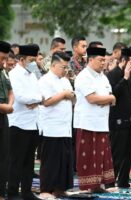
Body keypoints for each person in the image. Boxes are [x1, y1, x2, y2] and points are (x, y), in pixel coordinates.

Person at [74, 47, 115, 192]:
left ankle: (97, 185)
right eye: (100, 60)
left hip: (102, 122)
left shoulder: (103, 77)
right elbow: (92, 98)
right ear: (90, 59)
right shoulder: (84, 76)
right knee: (88, 156)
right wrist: (109, 98)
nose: (103, 63)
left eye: (104, 60)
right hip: (87, 122)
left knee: (100, 156)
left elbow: (108, 96)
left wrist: (107, 99)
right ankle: (87, 186)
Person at [38, 52, 75, 199]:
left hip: (65, 126)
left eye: (67, 67)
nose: (65, 70)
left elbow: (72, 96)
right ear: (53, 65)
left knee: (64, 160)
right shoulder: (45, 80)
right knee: (51, 161)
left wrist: (68, 94)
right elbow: (46, 102)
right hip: (51, 127)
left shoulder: (65, 81)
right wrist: (64, 95)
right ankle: (46, 189)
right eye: (62, 67)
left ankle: (60, 188)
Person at [7, 44, 42, 200]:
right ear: (22, 59)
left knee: (29, 161)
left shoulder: (32, 74)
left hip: (33, 123)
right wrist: (36, 98)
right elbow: (20, 97)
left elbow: (41, 94)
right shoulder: (14, 74)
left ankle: (27, 192)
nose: (34, 63)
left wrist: (36, 99)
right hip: (19, 123)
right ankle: (13, 192)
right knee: (16, 160)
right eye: (31, 60)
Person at [107, 48, 131, 188]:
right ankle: (111, 181)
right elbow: (114, 93)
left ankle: (123, 181)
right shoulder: (114, 74)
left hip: (129, 120)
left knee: (128, 154)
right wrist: (126, 77)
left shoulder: (128, 74)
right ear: (123, 61)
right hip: (117, 121)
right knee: (117, 153)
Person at [0, 41, 14, 200]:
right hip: (3, 111)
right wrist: (6, 108)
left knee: (4, 156)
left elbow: (10, 90)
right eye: (2, 58)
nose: (4, 62)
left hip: (4, 117)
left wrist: (9, 105)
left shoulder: (3, 71)